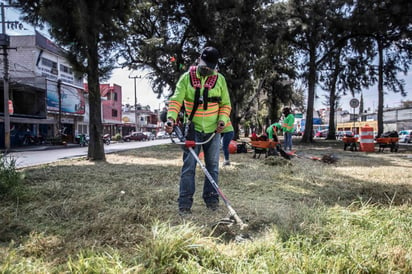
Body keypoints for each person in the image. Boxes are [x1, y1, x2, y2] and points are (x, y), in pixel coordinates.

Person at [165, 46, 232, 216]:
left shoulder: (220, 80)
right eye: (204, 64)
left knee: (213, 167)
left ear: (216, 66)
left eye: (210, 66)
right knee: (189, 167)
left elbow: (226, 105)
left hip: (213, 131)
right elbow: (175, 100)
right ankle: (184, 205)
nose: (207, 68)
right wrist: (171, 118)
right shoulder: (186, 78)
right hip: (193, 130)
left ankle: (212, 201)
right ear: (199, 60)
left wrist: (222, 121)